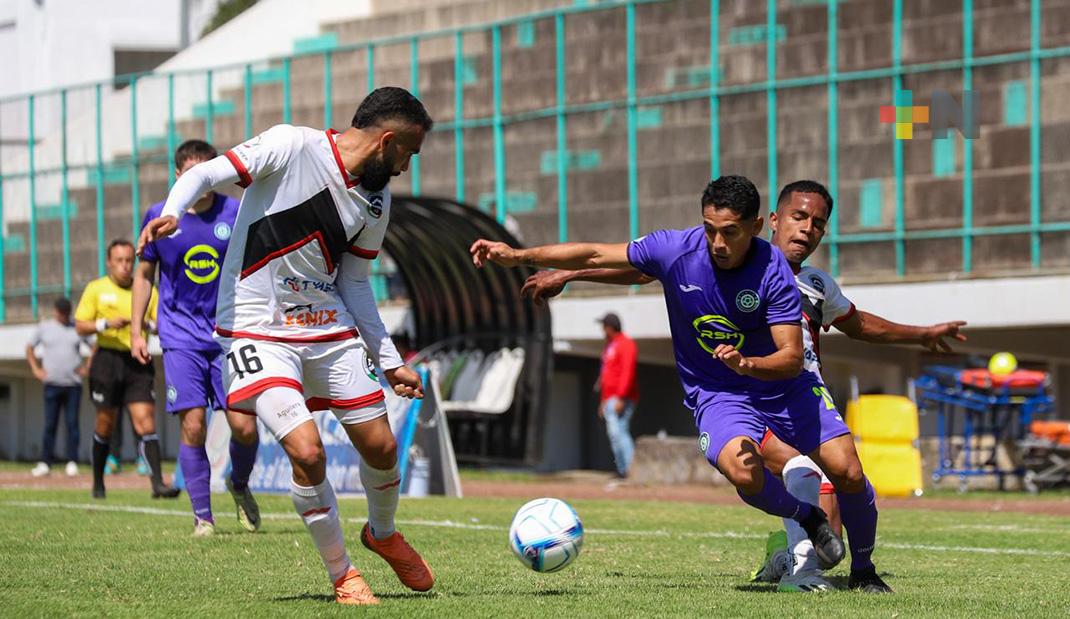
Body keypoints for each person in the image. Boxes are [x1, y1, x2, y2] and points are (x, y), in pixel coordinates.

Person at [519, 179, 966, 592]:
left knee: (842, 478)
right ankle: (798, 556)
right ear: (770, 221)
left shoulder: (814, 285)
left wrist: (921, 334)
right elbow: (642, 268)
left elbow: (861, 324)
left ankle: (809, 558)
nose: (807, 230)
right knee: (793, 474)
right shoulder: (721, 256)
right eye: (798, 218)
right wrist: (569, 275)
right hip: (731, 394)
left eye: (818, 224)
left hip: (795, 392)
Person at [138, 86, 434, 605]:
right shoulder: (292, 146)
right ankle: (344, 575)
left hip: (327, 327)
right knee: (307, 450)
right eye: (408, 152)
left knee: (383, 448)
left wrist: (389, 361)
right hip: (256, 327)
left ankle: (382, 533)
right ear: (387, 142)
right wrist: (174, 211)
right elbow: (206, 172)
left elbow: (357, 282)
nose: (407, 165)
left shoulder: (377, 200)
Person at [132, 139, 261, 537]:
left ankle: (238, 485)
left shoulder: (236, 212)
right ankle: (203, 517)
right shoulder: (158, 217)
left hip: (229, 334)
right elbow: (143, 276)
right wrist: (137, 329)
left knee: (245, 428)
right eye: (190, 175)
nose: (200, 183)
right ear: (177, 176)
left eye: (207, 174)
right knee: (193, 426)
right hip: (179, 336)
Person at [74, 239, 179, 499]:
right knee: (105, 424)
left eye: (129, 261)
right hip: (106, 361)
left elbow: (160, 324)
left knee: (145, 421)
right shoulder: (96, 289)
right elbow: (80, 325)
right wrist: (104, 324)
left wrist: (145, 324)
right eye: (119, 261)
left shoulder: (146, 290)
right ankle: (98, 483)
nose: (124, 266)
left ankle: (158, 485)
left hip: (137, 360)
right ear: (109, 262)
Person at [27, 297, 89, 477]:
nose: (64, 316)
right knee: (50, 424)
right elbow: (29, 348)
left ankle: (72, 462)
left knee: (72, 424)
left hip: (73, 385)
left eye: (66, 313)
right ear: (55, 311)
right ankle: (46, 462)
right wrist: (35, 369)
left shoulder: (76, 327)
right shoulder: (44, 328)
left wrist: (86, 367)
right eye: (61, 313)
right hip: (51, 384)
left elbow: (96, 346)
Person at [596, 312, 639, 478]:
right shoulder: (610, 345)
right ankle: (623, 471)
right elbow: (605, 374)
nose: (602, 330)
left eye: (604, 326)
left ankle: (629, 471)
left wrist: (621, 397)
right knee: (614, 435)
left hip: (622, 397)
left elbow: (628, 372)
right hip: (609, 398)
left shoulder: (626, 344)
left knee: (619, 432)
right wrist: (603, 401)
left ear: (610, 327)